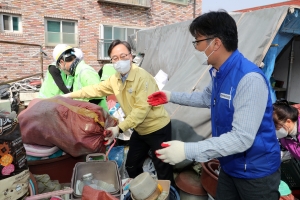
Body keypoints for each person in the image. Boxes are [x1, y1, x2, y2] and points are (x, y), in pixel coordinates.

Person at [147, 10, 281, 199]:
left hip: (256, 172)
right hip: (229, 164)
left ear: (216, 43)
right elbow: (205, 98)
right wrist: (170, 96)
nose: (196, 48)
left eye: (198, 42)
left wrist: (187, 150)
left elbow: (242, 138)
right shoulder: (219, 72)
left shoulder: (249, 79)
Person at [62, 40, 175, 187]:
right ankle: (145, 189)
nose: (119, 61)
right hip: (140, 130)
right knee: (131, 166)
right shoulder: (115, 79)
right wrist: (69, 96)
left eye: (123, 56)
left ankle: (169, 194)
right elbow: (95, 89)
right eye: (115, 58)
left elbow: (141, 111)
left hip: (157, 129)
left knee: (164, 172)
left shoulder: (142, 77)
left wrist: (118, 129)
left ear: (131, 56)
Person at [52, 44, 108, 112]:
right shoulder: (76, 73)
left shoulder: (85, 72)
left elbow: (97, 96)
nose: (61, 69)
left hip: (97, 118)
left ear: (62, 62)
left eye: (59, 66)